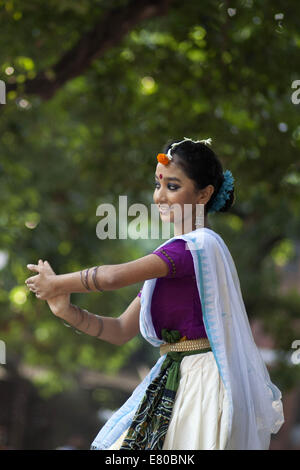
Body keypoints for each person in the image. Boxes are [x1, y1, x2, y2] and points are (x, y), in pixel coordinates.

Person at [25, 137, 284, 450]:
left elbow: (112, 277)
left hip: (199, 386)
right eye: (158, 184)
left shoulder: (194, 249)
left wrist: (58, 282)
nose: (160, 196)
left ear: (203, 194)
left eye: (172, 186)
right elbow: (120, 330)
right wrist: (64, 309)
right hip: (173, 380)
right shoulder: (176, 259)